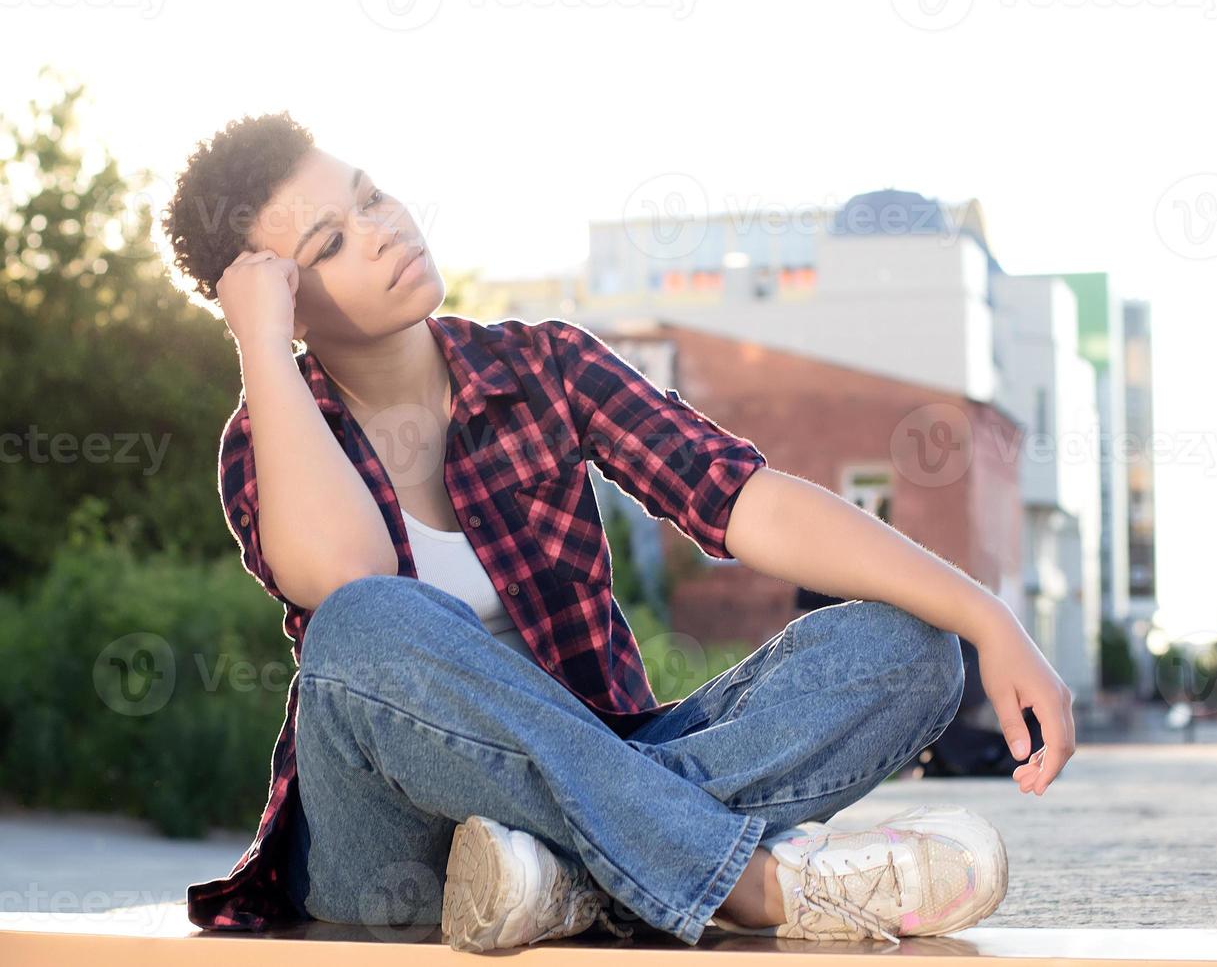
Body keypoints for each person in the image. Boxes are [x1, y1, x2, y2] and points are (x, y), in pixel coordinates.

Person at [161, 111, 1076, 950]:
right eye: (330, 242)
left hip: (611, 760)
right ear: (282, 302)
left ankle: (569, 879)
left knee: (911, 647)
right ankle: (742, 882)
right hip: (395, 853)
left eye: (371, 196)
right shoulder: (270, 439)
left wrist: (987, 616)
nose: (383, 227)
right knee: (362, 622)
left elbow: (743, 497)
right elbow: (352, 584)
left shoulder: (544, 365)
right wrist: (260, 350)